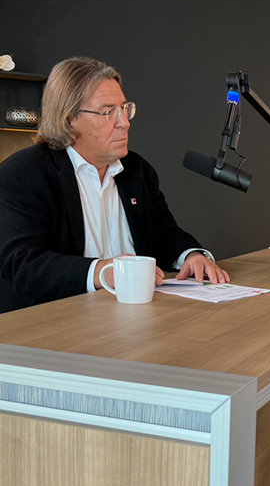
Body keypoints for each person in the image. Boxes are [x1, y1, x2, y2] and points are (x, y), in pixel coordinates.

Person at [0, 56, 229, 314]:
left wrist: (191, 255)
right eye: (108, 112)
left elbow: (164, 233)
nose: (124, 122)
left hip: (134, 317)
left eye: (125, 108)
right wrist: (103, 271)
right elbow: (22, 263)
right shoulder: (23, 173)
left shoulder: (136, 170)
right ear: (69, 120)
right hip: (54, 322)